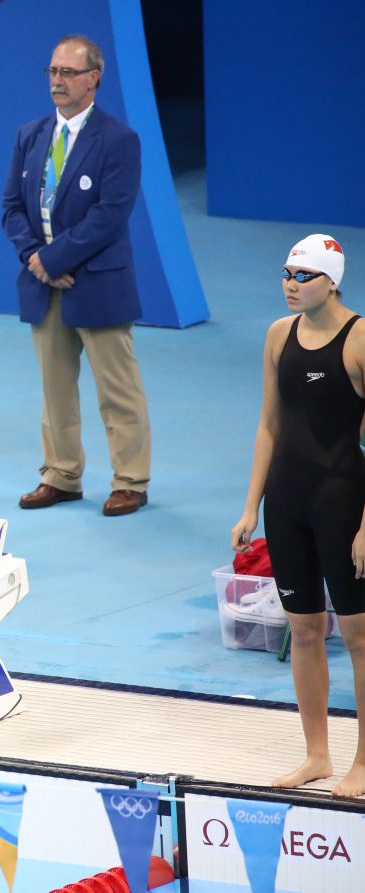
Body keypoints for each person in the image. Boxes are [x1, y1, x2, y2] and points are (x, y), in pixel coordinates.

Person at [232, 235, 365, 798]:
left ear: (332, 281)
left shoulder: (360, 340)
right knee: (304, 630)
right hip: (286, 500)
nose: (290, 283)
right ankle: (316, 755)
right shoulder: (276, 336)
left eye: (303, 274)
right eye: (286, 271)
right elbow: (269, 425)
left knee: (359, 635)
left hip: (342, 499)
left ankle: (363, 761)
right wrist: (250, 505)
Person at [1, 34, 151, 516]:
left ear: (94, 79)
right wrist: (34, 259)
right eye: (52, 72)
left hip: (98, 282)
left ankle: (130, 480)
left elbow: (110, 215)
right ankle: (61, 475)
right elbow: (11, 208)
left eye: (68, 73)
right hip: (45, 284)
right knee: (55, 389)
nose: (57, 81)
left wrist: (56, 259)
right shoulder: (30, 135)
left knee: (117, 389)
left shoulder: (119, 140)